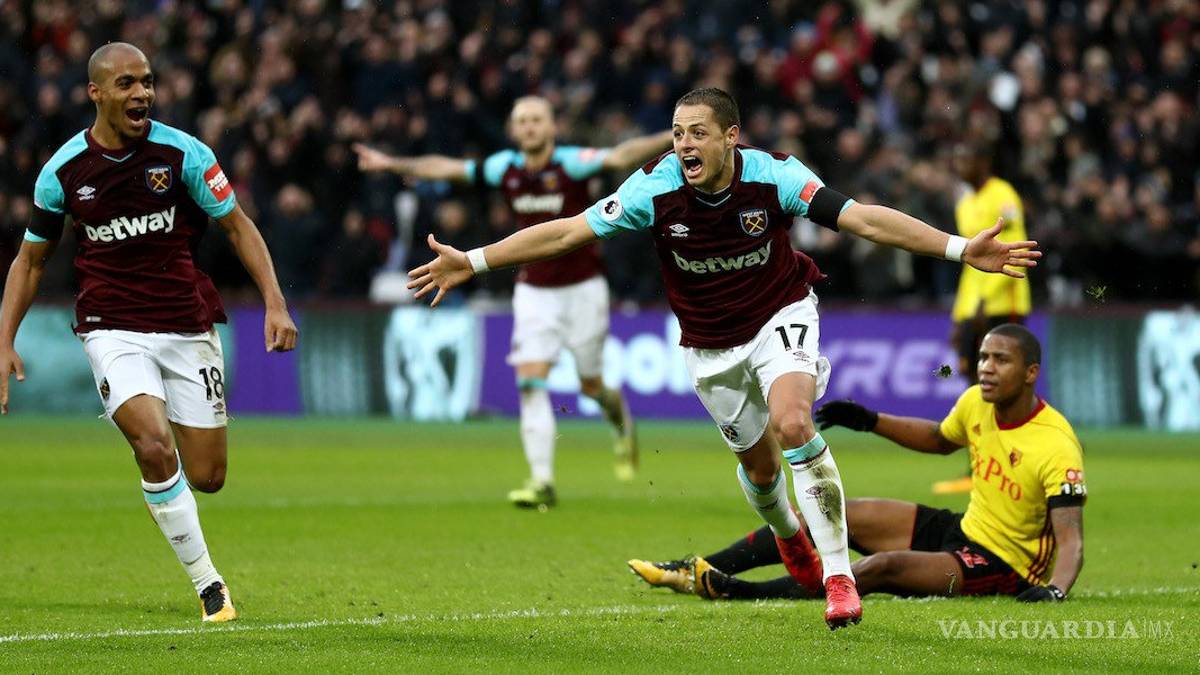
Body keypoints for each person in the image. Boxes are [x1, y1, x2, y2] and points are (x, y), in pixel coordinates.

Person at [406, 87, 1039, 628]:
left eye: (698, 133)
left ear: (731, 137)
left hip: (780, 315)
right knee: (760, 472)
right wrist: (475, 260)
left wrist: (959, 249)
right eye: (678, 133)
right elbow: (569, 230)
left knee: (794, 423)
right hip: (710, 345)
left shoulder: (775, 175)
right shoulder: (654, 187)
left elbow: (862, 219)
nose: (684, 144)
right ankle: (789, 535)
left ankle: (839, 577)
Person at [0, 43, 298, 622]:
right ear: (96, 93)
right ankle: (210, 585)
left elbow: (238, 227)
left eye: (147, 82)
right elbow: (30, 261)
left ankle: (168, 491)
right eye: (127, 84)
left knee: (208, 476)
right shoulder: (62, 172)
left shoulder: (184, 153)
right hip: (111, 327)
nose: (142, 93)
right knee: (154, 445)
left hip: (185, 323)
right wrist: (4, 338)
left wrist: (274, 302)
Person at [355, 96, 671, 508]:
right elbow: (447, 168)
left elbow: (620, 156)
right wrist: (392, 164)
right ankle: (542, 482)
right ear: (513, 130)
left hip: (584, 289)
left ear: (552, 127)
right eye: (522, 121)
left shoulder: (571, 164)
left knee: (591, 386)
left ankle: (621, 423)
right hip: (533, 291)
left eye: (537, 119)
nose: (530, 127)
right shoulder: (504, 168)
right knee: (529, 380)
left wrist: (672, 137)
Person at [630, 325, 1085, 604]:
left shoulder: (1055, 444)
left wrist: (1055, 589)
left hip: (1003, 563)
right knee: (831, 514)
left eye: (1001, 360)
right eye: (984, 357)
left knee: (879, 567)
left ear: (1031, 373)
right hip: (965, 528)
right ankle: (694, 567)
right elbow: (939, 440)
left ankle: (734, 590)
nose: (986, 367)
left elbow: (1071, 541)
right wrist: (869, 420)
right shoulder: (976, 402)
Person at [934, 142, 1031, 495]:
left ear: (984, 161)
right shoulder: (965, 202)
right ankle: (981, 466)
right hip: (973, 306)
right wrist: (960, 315)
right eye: (957, 158)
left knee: (1005, 385)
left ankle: (1016, 460)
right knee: (974, 382)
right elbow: (969, 264)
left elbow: (1016, 252)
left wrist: (985, 302)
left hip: (1003, 303)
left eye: (967, 158)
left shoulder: (1002, 195)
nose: (960, 165)